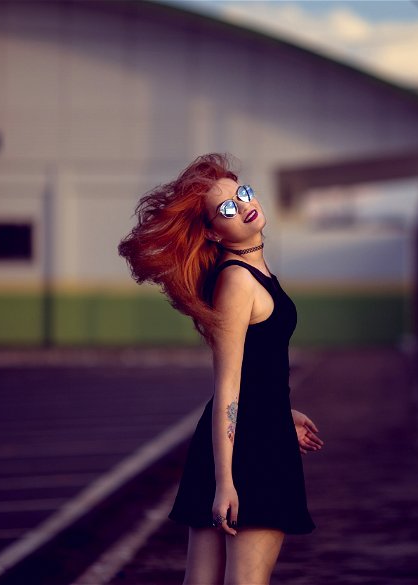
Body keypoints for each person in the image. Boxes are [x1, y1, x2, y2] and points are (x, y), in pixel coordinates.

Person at [117, 153, 324, 585]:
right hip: (249, 454)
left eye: (242, 193)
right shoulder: (237, 281)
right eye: (226, 208)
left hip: (256, 435)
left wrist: (281, 415)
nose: (244, 204)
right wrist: (225, 482)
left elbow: (257, 373)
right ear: (212, 231)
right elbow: (228, 386)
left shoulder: (254, 270)